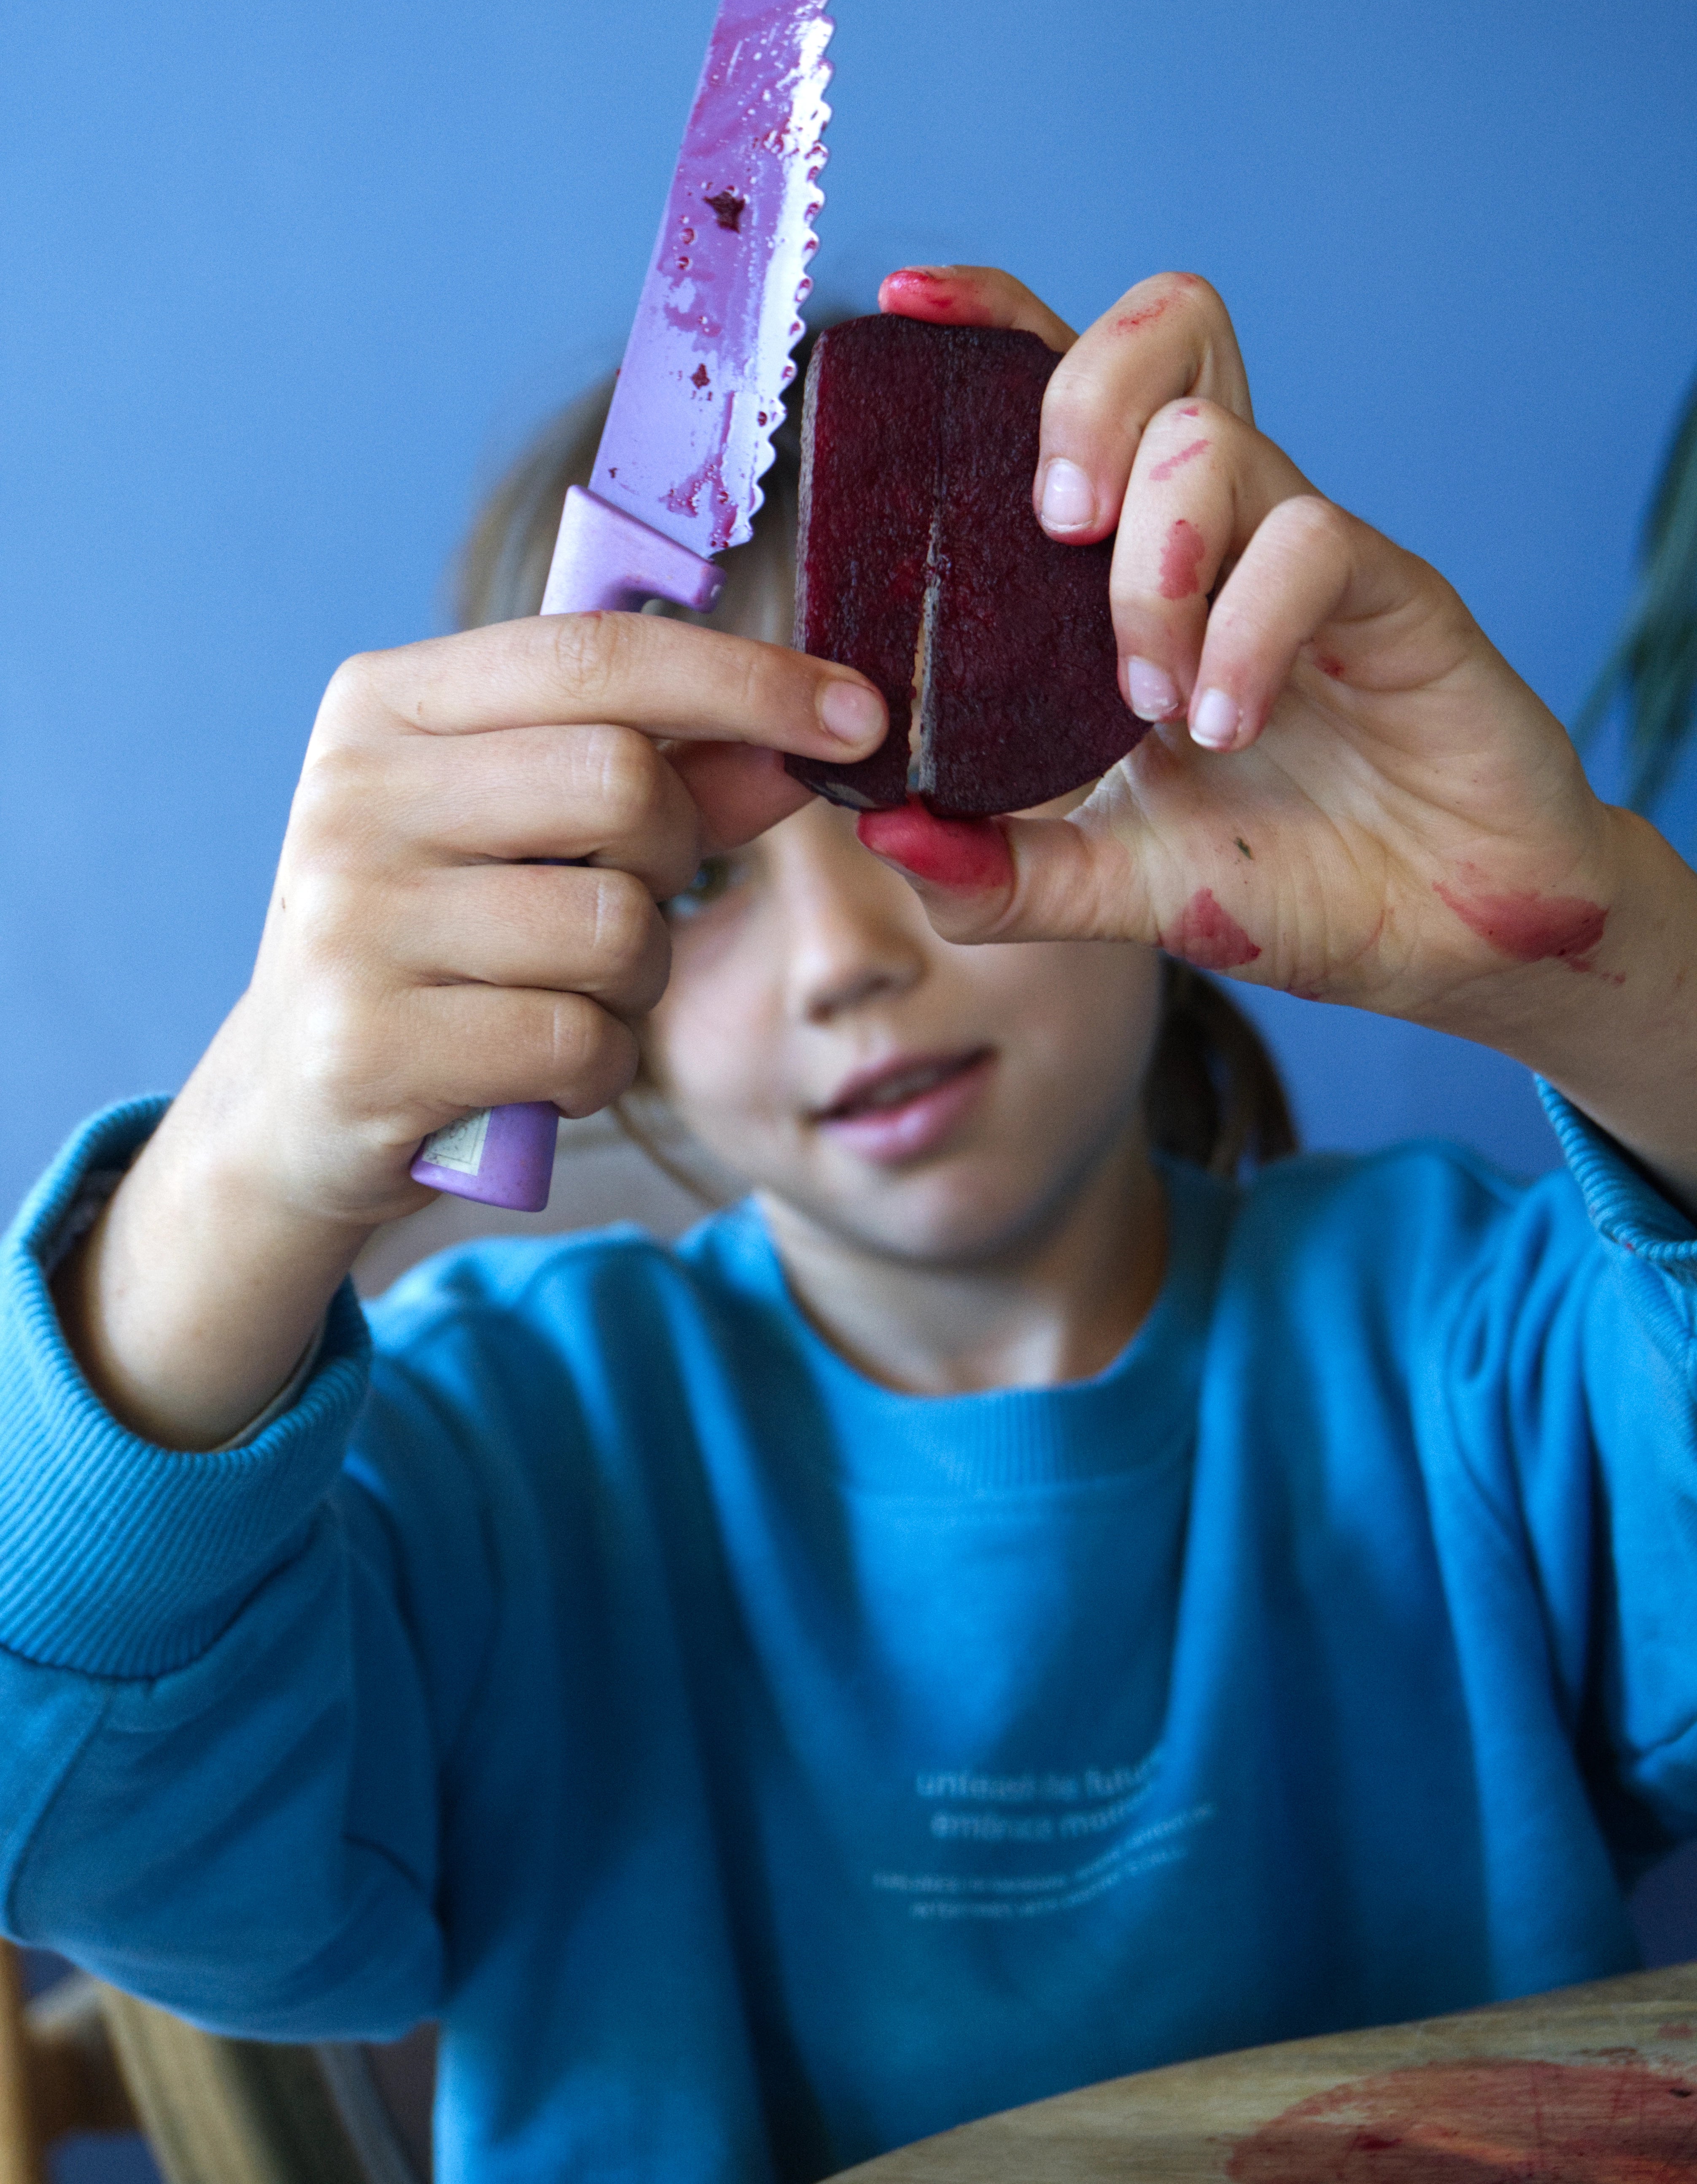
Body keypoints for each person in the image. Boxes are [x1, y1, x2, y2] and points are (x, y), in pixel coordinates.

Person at [3, 264, 1695, 2184]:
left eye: (926, 782)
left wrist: (1595, 949)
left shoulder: (1478, 1356)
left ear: (1157, 753)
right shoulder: (510, 1462)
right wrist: (246, 1156)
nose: (842, 960)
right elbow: (60, 1805)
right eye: (698, 876)